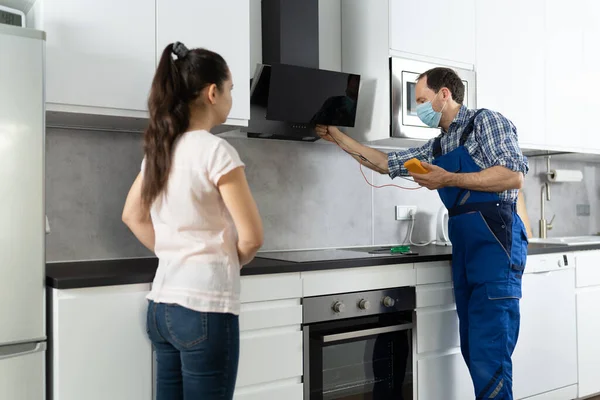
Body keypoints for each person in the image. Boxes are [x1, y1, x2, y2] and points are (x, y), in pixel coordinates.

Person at [316, 67, 529, 400]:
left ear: (445, 94)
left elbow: (512, 175)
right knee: (473, 349)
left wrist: (448, 179)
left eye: (421, 100)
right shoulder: (438, 146)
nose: (418, 109)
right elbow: (385, 163)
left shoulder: (484, 123)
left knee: (491, 353)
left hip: (495, 245)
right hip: (466, 249)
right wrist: (337, 136)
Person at [122, 42, 263, 400]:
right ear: (213, 93)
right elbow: (252, 237)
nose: (231, 97)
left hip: (162, 308)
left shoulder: (161, 150)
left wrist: (176, 253)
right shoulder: (216, 150)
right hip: (205, 306)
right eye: (231, 89)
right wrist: (225, 258)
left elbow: (132, 216)